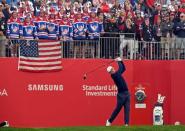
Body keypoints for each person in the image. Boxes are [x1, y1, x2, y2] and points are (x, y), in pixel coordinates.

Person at [106, 57, 130, 126]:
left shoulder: (117, 73)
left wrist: (121, 61)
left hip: (127, 93)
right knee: (117, 109)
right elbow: (120, 69)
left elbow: (123, 68)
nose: (112, 70)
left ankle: (126, 124)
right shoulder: (114, 75)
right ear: (109, 73)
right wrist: (118, 61)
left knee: (127, 109)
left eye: (112, 69)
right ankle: (109, 121)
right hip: (121, 95)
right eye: (111, 70)